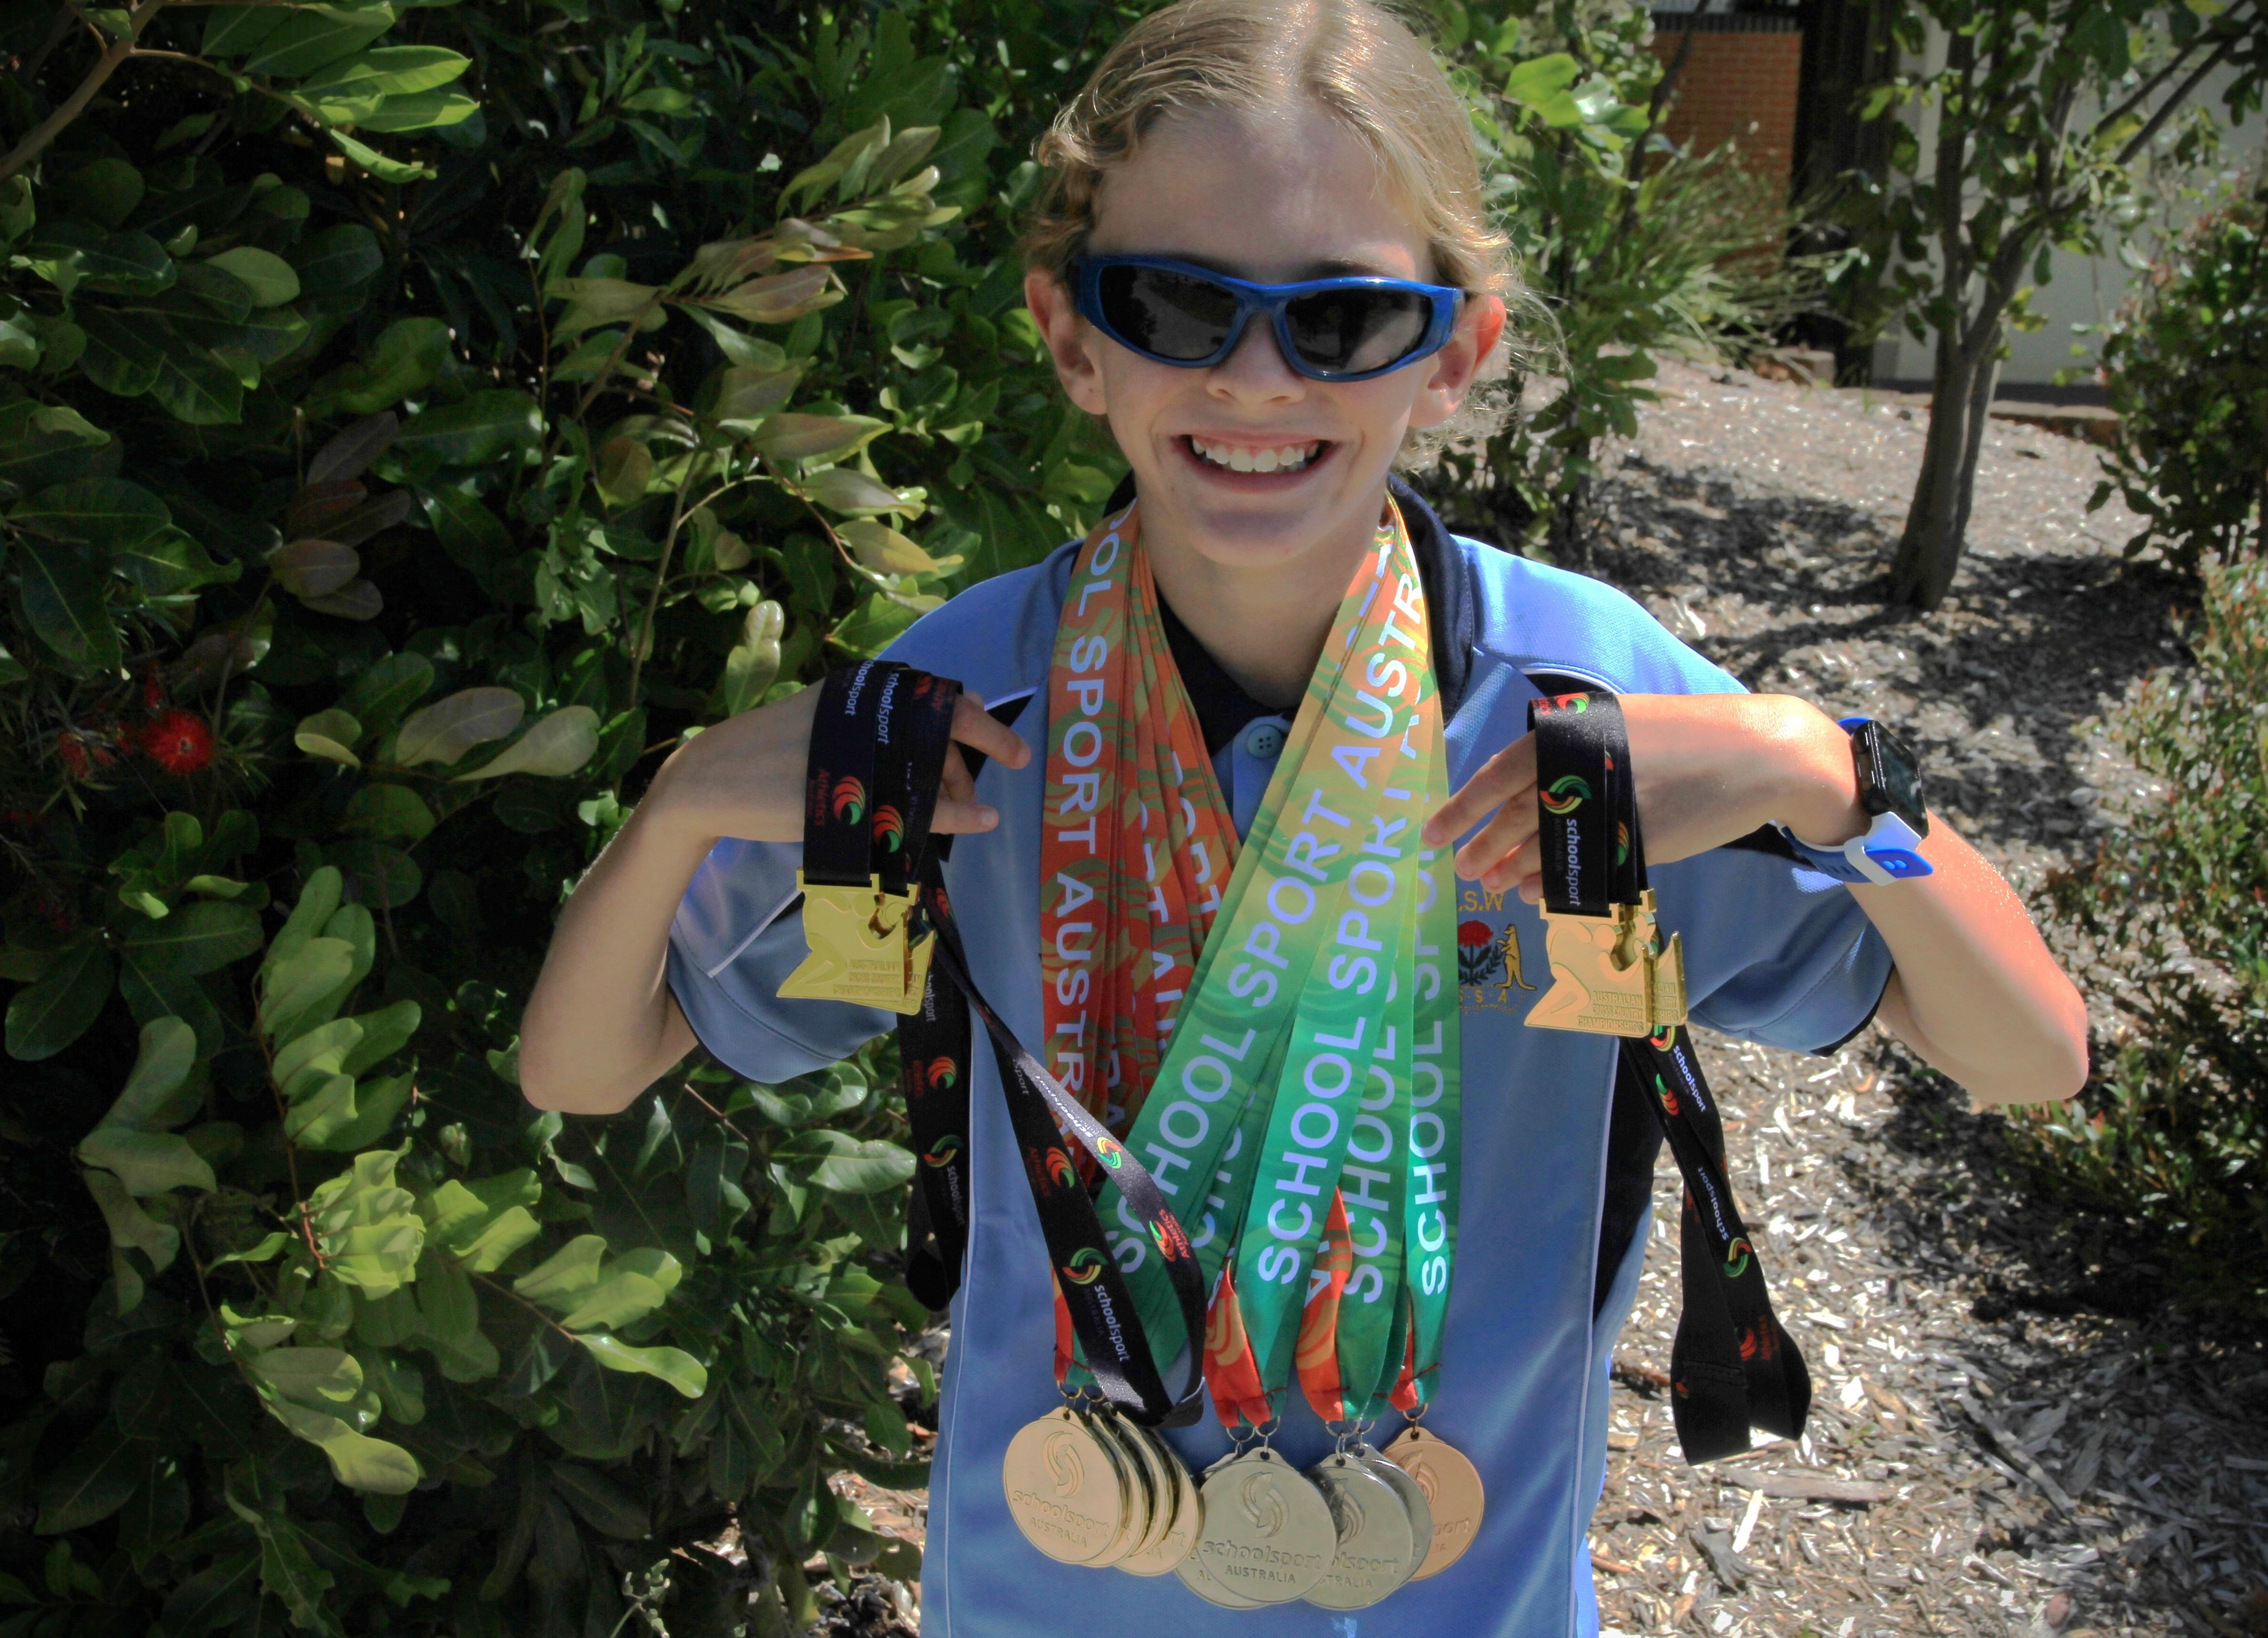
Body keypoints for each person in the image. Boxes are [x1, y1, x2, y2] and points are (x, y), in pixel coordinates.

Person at [518, 1, 2089, 1631]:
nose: (1254, 380)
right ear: (1073, 337)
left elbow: (2030, 1053)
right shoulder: (962, 710)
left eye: (1343, 320)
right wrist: (686, 798)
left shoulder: (1591, 714)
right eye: (1178, 304)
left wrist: (1819, 771)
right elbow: (584, 1065)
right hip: (1052, 1595)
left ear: (1456, 353)